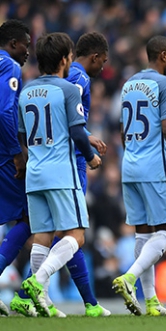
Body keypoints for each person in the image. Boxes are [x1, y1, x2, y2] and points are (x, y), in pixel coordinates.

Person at [9, 31, 111, 318]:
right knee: (76, 237)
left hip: (34, 173)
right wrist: (91, 158)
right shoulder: (67, 90)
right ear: (66, 59)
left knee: (41, 235)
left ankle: (29, 298)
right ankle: (36, 281)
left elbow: (21, 135)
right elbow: (78, 131)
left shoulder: (26, 90)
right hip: (61, 172)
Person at [112, 35, 166, 317]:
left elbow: (121, 129)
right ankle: (129, 278)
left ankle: (151, 301)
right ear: (163, 55)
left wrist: (133, 155)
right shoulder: (164, 83)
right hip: (154, 165)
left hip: (129, 164)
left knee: (143, 232)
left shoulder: (129, 83)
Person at [0, 19, 30, 317]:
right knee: (29, 216)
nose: (27, 52)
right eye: (25, 45)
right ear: (12, 44)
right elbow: (4, 110)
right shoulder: (9, 66)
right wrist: (16, 153)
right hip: (2, 155)